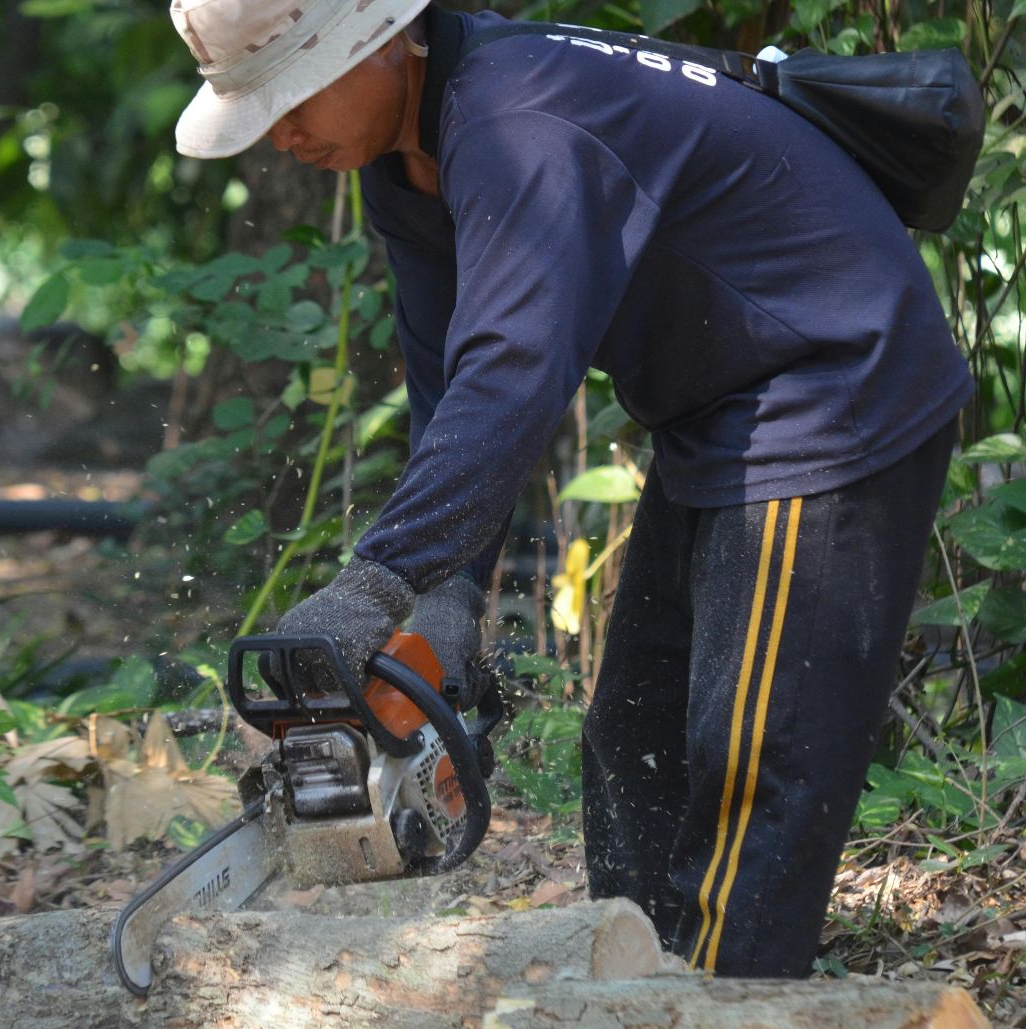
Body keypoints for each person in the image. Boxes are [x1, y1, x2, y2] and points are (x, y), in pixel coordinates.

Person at [168, 0, 972, 977]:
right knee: (634, 741)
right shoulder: (400, 161)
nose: (282, 134)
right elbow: (455, 384)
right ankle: (624, 993)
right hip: (721, 405)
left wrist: (380, 578)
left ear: (379, 43)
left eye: (292, 98)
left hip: (835, 383)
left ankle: (725, 1022)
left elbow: (518, 372)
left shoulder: (515, 121)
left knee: (752, 763)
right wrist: (450, 589)